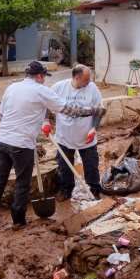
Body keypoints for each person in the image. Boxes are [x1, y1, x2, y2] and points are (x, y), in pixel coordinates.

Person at [0, 61, 105, 230]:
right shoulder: (41, 90)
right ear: (39, 76)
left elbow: (1, 114)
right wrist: (92, 111)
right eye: (44, 77)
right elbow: (67, 109)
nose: (44, 81)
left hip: (2, 140)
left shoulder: (12, 88)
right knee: (22, 182)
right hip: (22, 144)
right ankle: (18, 221)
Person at [48, 64, 104, 201]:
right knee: (65, 166)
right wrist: (45, 121)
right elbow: (46, 104)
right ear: (77, 77)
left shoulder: (92, 88)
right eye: (86, 79)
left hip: (87, 137)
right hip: (64, 137)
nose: (89, 81)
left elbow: (99, 110)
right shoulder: (58, 87)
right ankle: (66, 191)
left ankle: (95, 190)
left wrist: (94, 128)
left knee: (91, 165)